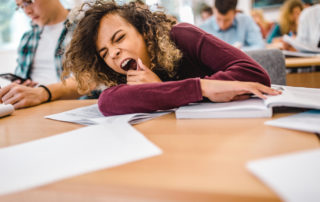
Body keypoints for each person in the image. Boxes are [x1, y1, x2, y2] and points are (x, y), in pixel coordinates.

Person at [62, 1, 280, 116]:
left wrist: (163, 89)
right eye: (104, 53)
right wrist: (202, 88)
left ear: (144, 32)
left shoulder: (182, 35)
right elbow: (108, 102)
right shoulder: (126, 76)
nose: (113, 53)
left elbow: (254, 75)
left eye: (119, 38)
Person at [0, 0, 94, 109]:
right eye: (20, 7)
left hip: (70, 107)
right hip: (31, 108)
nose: (27, 11)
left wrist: (41, 93)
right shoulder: (28, 38)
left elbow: (89, 80)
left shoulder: (85, 28)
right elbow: (21, 78)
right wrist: (22, 88)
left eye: (29, 2)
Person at [200, 0, 264, 51]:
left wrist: (238, 51)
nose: (222, 25)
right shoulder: (203, 29)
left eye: (227, 20)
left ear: (235, 12)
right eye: (218, 19)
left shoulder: (246, 21)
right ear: (214, 10)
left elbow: (260, 46)